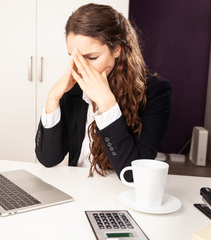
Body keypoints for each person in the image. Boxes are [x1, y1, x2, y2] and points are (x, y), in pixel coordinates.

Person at [34, 3, 172, 181]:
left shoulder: (155, 91)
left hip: (121, 195)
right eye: (73, 57)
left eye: (91, 57)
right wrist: (53, 98)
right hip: (78, 190)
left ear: (116, 50)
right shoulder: (74, 88)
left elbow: (133, 176)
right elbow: (48, 159)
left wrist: (107, 105)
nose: (80, 67)